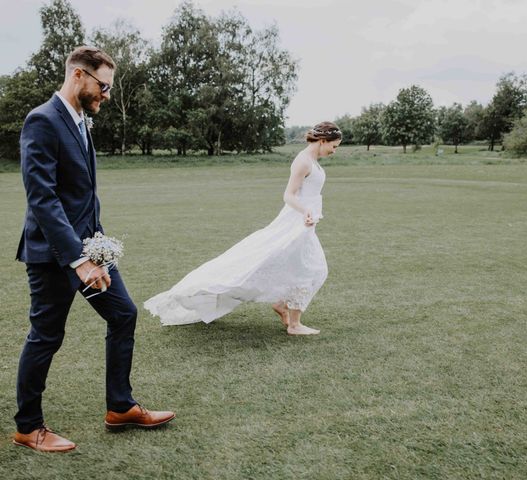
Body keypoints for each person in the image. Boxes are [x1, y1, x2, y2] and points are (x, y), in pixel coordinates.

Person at [13, 46, 174, 453]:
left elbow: (82, 195)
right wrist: (79, 260)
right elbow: (43, 199)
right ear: (79, 75)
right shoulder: (42, 120)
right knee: (46, 336)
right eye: (103, 86)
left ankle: (120, 407)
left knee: (123, 313)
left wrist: (97, 246)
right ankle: (27, 427)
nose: (106, 95)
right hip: (54, 255)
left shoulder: (81, 121)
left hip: (89, 248)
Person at [145, 122, 341, 335]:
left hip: (305, 224)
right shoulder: (303, 161)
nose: (334, 151)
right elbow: (289, 195)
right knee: (312, 268)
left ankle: (284, 307)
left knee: (304, 267)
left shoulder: (312, 160)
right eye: (334, 146)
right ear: (322, 141)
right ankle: (293, 323)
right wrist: (305, 211)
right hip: (296, 223)